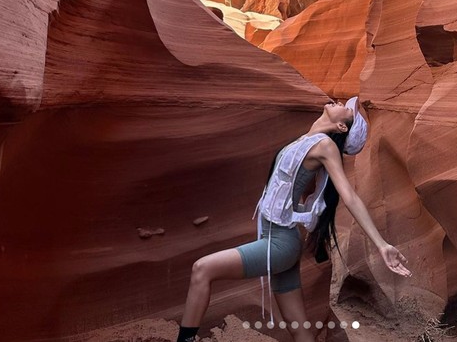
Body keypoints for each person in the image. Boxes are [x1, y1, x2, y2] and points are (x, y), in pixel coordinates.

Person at [176, 97, 412, 342]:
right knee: (299, 331)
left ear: (342, 127)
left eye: (347, 109)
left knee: (202, 269)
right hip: (281, 240)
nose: (341, 102)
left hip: (279, 244)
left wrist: (382, 245)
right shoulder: (306, 140)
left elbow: (349, 196)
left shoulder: (325, 146)